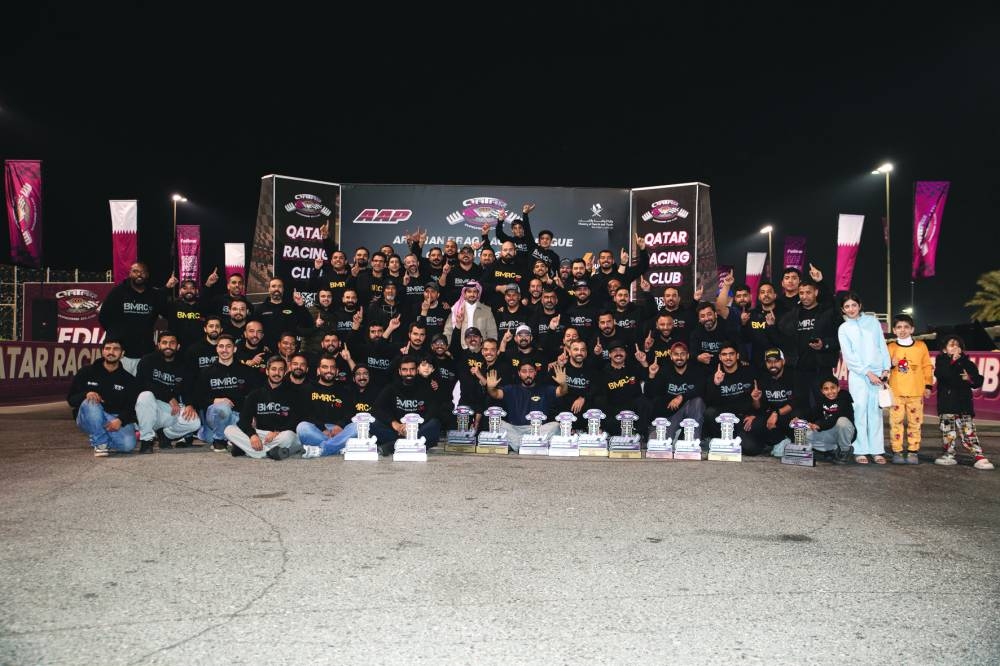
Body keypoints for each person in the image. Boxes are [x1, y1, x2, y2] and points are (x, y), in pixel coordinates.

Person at [836, 292, 890, 464]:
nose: (851, 309)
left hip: (878, 374)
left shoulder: (872, 322)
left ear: (859, 305)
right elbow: (849, 356)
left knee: (875, 413)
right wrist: (868, 373)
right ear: (843, 309)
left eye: (853, 305)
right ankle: (860, 450)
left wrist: (886, 368)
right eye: (847, 306)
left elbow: (882, 345)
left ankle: (876, 450)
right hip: (859, 376)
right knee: (859, 412)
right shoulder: (843, 329)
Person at [66, 338, 138, 457]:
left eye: (116, 349)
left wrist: (120, 420)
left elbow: (131, 406)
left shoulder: (128, 379)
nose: (111, 352)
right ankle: (101, 443)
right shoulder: (86, 372)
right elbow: (71, 400)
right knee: (92, 401)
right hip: (89, 414)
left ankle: (100, 433)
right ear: (103, 352)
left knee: (128, 446)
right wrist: (86, 394)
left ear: (122, 353)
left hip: (114, 418)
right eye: (107, 348)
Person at [135, 331, 202, 454]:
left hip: (169, 409)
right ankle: (146, 440)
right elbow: (142, 385)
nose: (168, 346)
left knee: (194, 422)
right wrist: (169, 397)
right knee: (145, 395)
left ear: (178, 346)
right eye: (164, 343)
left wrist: (189, 404)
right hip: (148, 407)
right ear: (158, 345)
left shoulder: (184, 364)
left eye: (172, 343)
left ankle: (165, 435)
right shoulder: (147, 360)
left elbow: (188, 387)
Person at [224, 356, 302, 460]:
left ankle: (248, 449)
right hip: (261, 435)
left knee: (290, 436)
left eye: (281, 369)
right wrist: (252, 435)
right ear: (267, 371)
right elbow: (243, 420)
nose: (277, 373)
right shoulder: (256, 393)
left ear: (285, 372)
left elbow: (295, 420)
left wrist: (277, 432)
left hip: (281, 435)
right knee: (229, 430)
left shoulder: (293, 393)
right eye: (273, 369)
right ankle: (269, 452)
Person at [934, 335, 994, 470]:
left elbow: (978, 381)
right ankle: (948, 454)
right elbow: (943, 375)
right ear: (944, 350)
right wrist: (953, 362)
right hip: (947, 403)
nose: (955, 348)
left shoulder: (968, 363)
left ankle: (978, 455)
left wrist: (970, 378)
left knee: (968, 431)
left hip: (963, 403)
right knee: (948, 432)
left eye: (957, 345)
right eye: (951, 345)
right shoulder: (941, 361)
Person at [98, 261, 167, 374]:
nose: (139, 274)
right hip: (122, 353)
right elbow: (103, 317)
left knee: (142, 389)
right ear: (130, 274)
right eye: (135, 271)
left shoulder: (154, 295)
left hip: (144, 352)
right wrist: (116, 333)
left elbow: (166, 312)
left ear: (147, 275)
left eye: (142, 272)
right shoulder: (118, 292)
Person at [193, 334, 259, 452]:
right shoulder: (206, 372)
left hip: (238, 415)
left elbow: (253, 397)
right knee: (223, 408)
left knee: (252, 433)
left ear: (234, 349)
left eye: (228, 346)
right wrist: (214, 401)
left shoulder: (246, 371)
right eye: (221, 346)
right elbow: (198, 398)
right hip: (215, 415)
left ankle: (213, 435)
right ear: (217, 349)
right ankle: (219, 440)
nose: (224, 350)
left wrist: (252, 416)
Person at [485, 363, 570, 452]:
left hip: (538, 431)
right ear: (519, 373)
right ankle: (530, 444)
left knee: (556, 426)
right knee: (498, 424)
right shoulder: (511, 389)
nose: (528, 375)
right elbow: (495, 394)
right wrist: (490, 388)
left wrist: (563, 384)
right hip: (515, 430)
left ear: (535, 373)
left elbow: (562, 391)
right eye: (524, 371)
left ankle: (520, 445)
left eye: (531, 371)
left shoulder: (545, 389)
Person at [885, 314, 934, 464]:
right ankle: (897, 451)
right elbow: (883, 368)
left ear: (912, 329)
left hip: (916, 393)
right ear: (894, 329)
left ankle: (913, 451)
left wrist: (928, 385)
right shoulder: (891, 347)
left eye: (906, 327)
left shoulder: (921, 346)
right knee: (896, 423)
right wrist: (890, 364)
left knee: (915, 423)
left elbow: (927, 366)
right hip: (896, 393)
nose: (902, 330)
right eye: (899, 327)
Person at [371, 356, 441, 456]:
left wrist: (413, 427)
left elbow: (433, 410)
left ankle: (393, 446)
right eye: (405, 370)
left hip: (418, 430)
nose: (408, 373)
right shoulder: (391, 388)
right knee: (372, 423)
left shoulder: (426, 386)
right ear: (399, 371)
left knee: (435, 424)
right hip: (397, 431)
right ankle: (412, 444)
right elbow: (376, 408)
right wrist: (394, 423)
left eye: (412, 369)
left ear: (417, 371)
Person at [296, 355, 359, 458]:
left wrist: (340, 425)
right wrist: (322, 429)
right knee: (302, 427)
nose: (329, 370)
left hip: (339, 430)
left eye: (332, 367)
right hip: (316, 430)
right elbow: (305, 414)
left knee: (358, 426)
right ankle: (338, 446)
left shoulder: (344, 390)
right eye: (325, 367)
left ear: (337, 371)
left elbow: (350, 412)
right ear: (318, 370)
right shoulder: (307, 389)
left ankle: (322, 449)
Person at [644, 341, 706, 444]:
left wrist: (681, 396)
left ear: (688, 356)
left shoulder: (696, 370)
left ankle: (693, 441)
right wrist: (651, 375)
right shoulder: (664, 371)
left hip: (689, 410)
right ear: (671, 356)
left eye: (682, 354)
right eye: (676, 354)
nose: (679, 357)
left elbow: (702, 389)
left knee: (698, 401)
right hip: (669, 415)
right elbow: (650, 394)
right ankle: (675, 435)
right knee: (655, 443)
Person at [805, 376, 855, 464]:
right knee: (806, 433)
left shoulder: (844, 397)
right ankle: (833, 449)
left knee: (842, 421)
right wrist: (803, 421)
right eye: (826, 389)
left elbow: (837, 416)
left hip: (845, 432)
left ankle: (845, 450)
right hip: (830, 432)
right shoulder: (821, 400)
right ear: (822, 391)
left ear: (838, 388)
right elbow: (813, 416)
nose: (830, 392)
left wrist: (820, 425)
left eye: (833, 388)